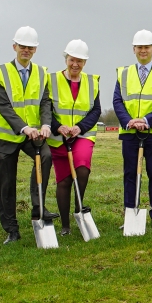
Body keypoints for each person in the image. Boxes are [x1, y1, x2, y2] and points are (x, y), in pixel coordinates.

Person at [0, 27, 56, 244]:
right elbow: (4, 105)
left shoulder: (41, 72)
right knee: (6, 184)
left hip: (34, 134)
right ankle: (11, 229)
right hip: (7, 136)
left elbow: (45, 101)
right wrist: (23, 127)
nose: (26, 50)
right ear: (14, 47)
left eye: (30, 47)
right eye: (22, 46)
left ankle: (38, 209)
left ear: (35, 49)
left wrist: (46, 124)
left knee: (45, 157)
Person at [113, 30, 152, 229]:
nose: (143, 50)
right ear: (134, 49)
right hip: (131, 134)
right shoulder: (123, 73)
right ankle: (130, 213)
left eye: (147, 47)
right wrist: (129, 121)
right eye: (139, 47)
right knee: (130, 174)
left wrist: (147, 121)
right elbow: (117, 101)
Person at [47, 40, 101, 235]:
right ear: (66, 59)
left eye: (80, 61)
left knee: (82, 169)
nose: (75, 64)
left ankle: (79, 209)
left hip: (82, 135)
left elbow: (96, 110)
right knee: (63, 181)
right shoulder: (51, 80)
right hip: (58, 136)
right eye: (72, 60)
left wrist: (80, 127)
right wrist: (57, 127)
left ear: (85, 62)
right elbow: (45, 109)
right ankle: (65, 226)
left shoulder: (92, 81)